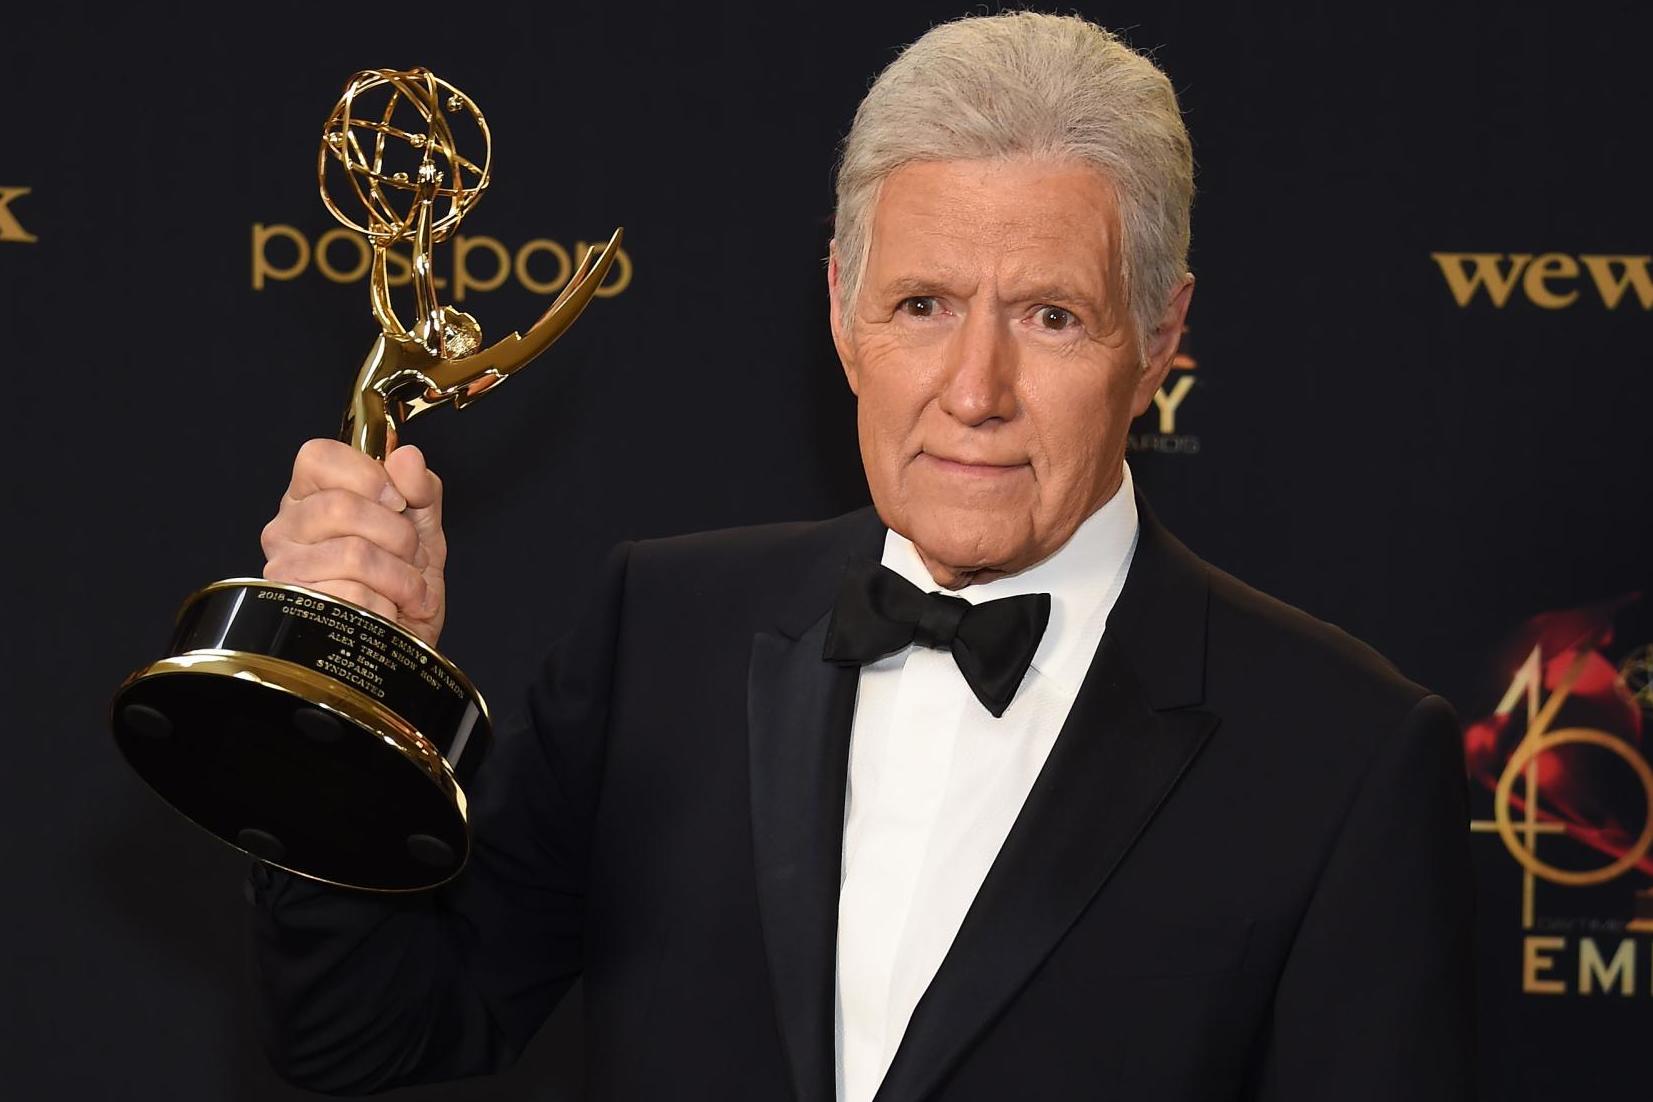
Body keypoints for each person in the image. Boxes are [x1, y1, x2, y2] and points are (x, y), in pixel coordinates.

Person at [250, 12, 1475, 1100]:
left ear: (1159, 339)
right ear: (842, 312)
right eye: (923, 305)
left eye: (1050, 315)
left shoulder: (1345, 758)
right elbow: (366, 1033)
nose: (975, 391)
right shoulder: (662, 632)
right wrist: (342, 681)